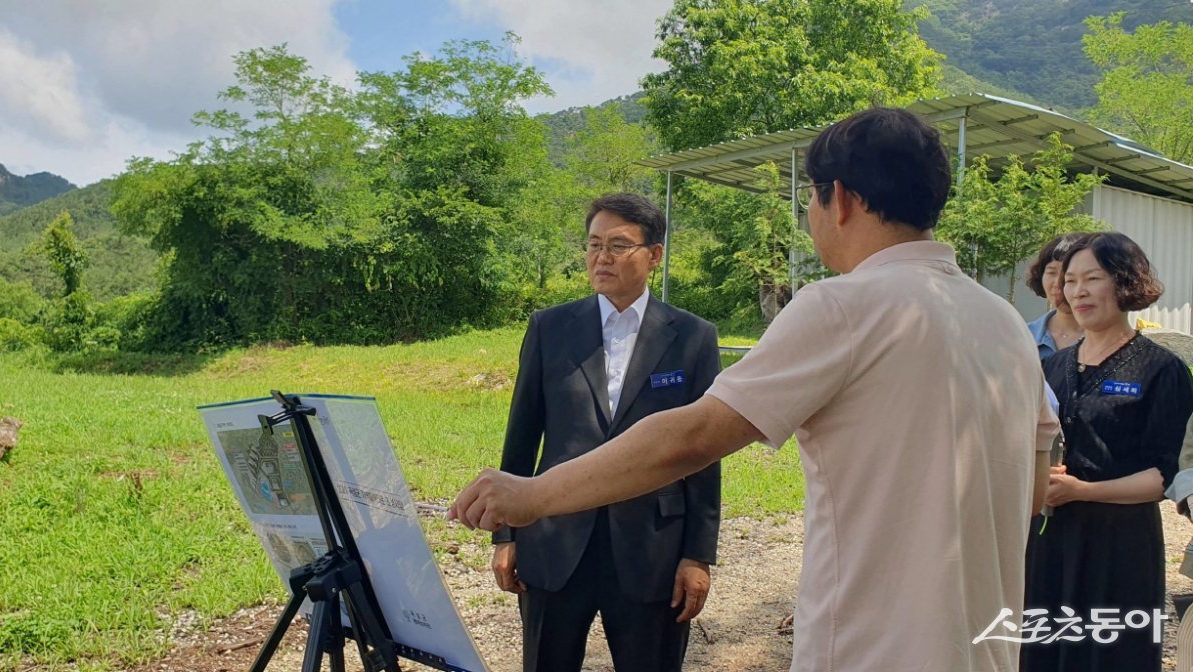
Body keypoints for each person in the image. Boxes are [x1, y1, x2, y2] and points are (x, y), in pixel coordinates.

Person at [452, 107, 1059, 672]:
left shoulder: (842, 306)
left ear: (841, 199)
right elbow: (1033, 493)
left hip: (872, 649)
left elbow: (693, 438)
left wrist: (535, 495)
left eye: (808, 198)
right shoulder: (1006, 323)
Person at [491, 192, 722, 672]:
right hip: (554, 540)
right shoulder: (550, 328)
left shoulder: (692, 337)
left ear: (654, 255)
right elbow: (521, 437)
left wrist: (697, 555)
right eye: (594, 245)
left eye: (618, 246)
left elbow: (703, 450)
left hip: (652, 548)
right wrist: (505, 535)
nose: (602, 257)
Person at [1021, 232, 1193, 671]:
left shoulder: (1162, 369)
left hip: (1120, 546)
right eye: (1070, 280)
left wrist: (1083, 491)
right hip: (1050, 540)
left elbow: (1165, 474)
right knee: (1042, 654)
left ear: (1125, 281)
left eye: (1092, 278)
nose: (1077, 291)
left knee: (1111, 657)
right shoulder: (1052, 366)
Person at [1025, 233, 1090, 360]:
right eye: (1051, 272)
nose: (1058, 283)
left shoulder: (1109, 342)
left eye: (1068, 274)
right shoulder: (1024, 336)